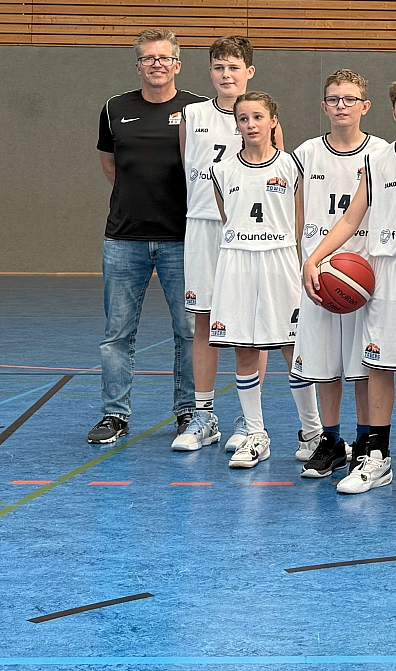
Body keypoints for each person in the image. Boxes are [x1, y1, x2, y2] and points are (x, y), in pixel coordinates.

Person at [303, 77, 396, 496]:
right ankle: (377, 455)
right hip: (386, 271)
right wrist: (315, 257)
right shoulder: (375, 162)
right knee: (379, 365)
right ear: (392, 112)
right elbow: (351, 219)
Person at [174, 36, 291, 454]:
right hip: (204, 225)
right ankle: (204, 415)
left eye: (234, 67)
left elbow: (279, 177)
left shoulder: (264, 116)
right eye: (219, 67)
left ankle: (248, 420)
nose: (226, 75)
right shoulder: (192, 115)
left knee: (255, 326)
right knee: (203, 321)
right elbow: (189, 170)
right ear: (210, 71)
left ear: (249, 72)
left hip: (251, 234)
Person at [89, 30, 205, 445]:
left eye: (164, 58)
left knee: (188, 332)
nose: (157, 64)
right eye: (148, 58)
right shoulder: (114, 108)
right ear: (138, 66)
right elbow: (111, 165)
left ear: (177, 65)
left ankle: (189, 412)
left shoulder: (198, 109)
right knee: (117, 334)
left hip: (183, 239)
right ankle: (115, 415)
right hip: (124, 239)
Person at [291, 70, 390, 479]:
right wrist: (304, 260)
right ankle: (330, 440)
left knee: (364, 365)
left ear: (365, 106)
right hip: (319, 271)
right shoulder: (306, 153)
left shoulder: (381, 153)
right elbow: (297, 213)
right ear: (324, 106)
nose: (341, 106)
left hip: (362, 273)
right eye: (333, 99)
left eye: (350, 99)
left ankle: (366, 439)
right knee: (324, 363)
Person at [207, 92, 308, 469]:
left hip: (280, 260)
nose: (250, 124)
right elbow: (227, 218)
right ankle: (255, 434)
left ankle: (312, 433)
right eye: (243, 118)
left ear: (273, 121)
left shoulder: (292, 165)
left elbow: (299, 222)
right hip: (237, 261)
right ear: (236, 124)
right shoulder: (222, 170)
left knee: (294, 350)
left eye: (258, 117)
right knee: (244, 350)